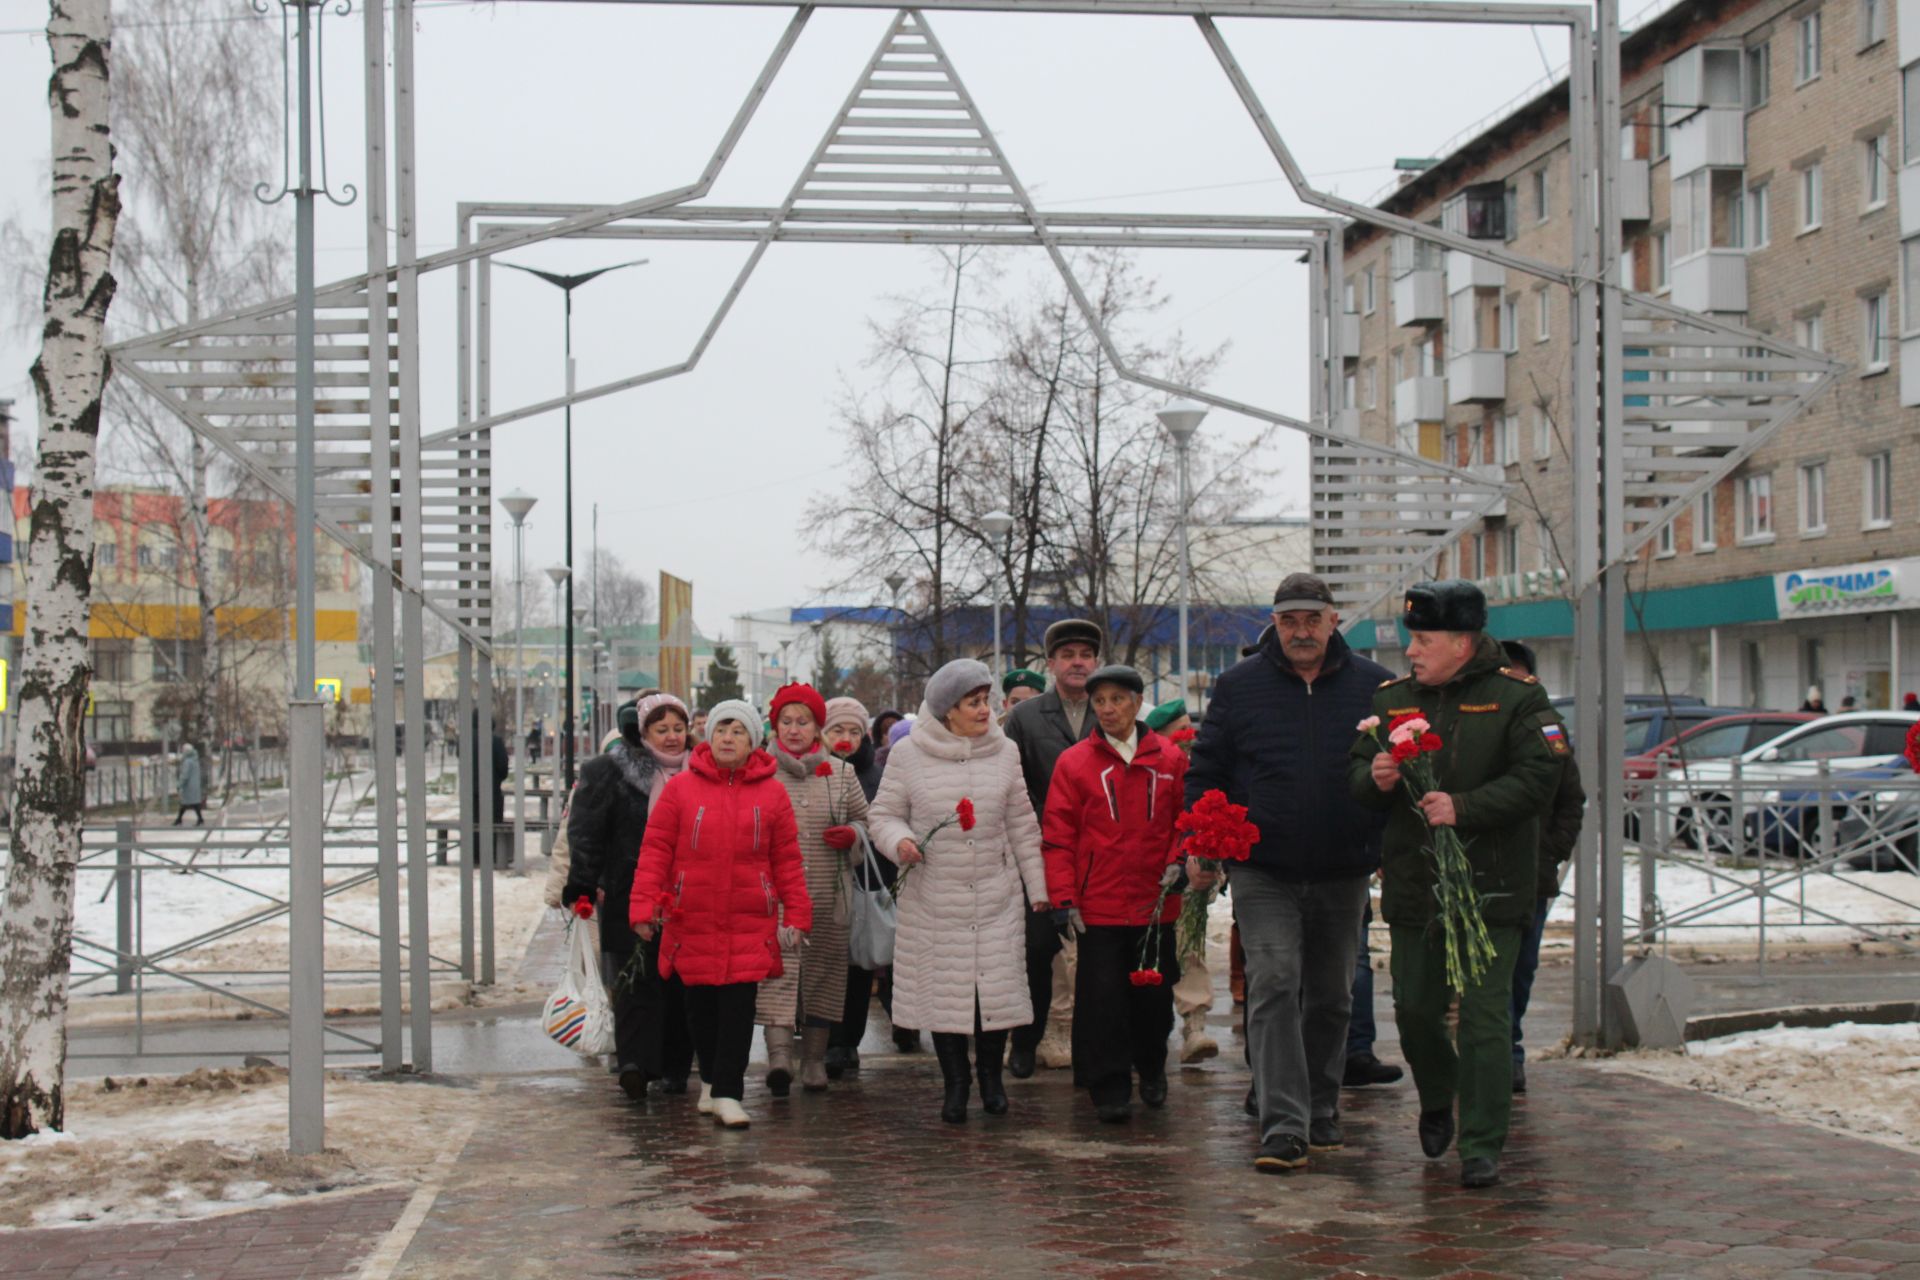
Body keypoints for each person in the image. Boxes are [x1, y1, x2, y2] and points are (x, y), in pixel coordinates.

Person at [1348, 580, 1567, 1189]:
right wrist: (1378, 775)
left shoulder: (1518, 698)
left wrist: (1465, 808)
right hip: (1418, 884)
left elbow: (1541, 777)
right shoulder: (1392, 700)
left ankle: (1482, 1143)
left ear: (1463, 643)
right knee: (1415, 1009)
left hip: (1492, 886)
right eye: (1412, 638)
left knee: (1485, 1017)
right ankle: (1438, 1095)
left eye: (1423, 639)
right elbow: (1356, 774)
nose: (1411, 650)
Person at [1188, 572, 1391, 1173]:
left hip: (1343, 864)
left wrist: (1380, 838)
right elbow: (1207, 768)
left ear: (1334, 621)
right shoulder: (1239, 685)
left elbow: (1398, 768)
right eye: (1288, 620)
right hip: (1262, 865)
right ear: (1273, 624)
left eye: (1312, 619)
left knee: (1331, 996)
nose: (1301, 631)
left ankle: (1322, 1110)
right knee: (1274, 982)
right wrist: (1202, 837)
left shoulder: (1375, 687)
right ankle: (1282, 1125)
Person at [870, 658, 1050, 1123]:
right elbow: (883, 815)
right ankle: (955, 1084)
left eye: (986, 700)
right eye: (974, 702)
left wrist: (1038, 889)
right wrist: (900, 842)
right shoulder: (909, 756)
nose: (985, 710)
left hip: (996, 895)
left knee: (993, 994)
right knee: (946, 996)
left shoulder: (1005, 752)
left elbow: (1022, 825)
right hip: (934, 896)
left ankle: (991, 1078)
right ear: (949, 710)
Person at [630, 700, 810, 1130]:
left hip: (750, 918)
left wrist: (797, 913)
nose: (729, 738)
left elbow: (787, 858)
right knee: (700, 1009)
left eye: (739, 732)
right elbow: (655, 851)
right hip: (690, 916)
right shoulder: (681, 789)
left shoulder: (772, 792)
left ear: (754, 741)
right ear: (709, 736)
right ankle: (711, 1082)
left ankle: (729, 1091)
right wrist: (644, 905)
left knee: (737, 1008)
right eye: (721, 730)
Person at [1042, 666, 1188, 1122]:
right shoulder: (1074, 763)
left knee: (1154, 1000)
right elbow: (1058, 836)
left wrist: (1179, 862)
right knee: (1103, 1001)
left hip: (1155, 905)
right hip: (1099, 906)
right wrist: (1063, 898)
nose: (1107, 710)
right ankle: (1109, 1086)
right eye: (1098, 701)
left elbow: (1183, 820)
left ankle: (1152, 1067)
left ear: (1137, 701)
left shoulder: (1169, 759)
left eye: (1116, 700)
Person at [565, 694, 694, 1100]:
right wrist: (583, 883)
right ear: (643, 733)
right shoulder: (610, 771)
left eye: (678, 728)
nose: (672, 738)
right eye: (662, 730)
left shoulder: (703, 771)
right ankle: (635, 1063)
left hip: (689, 894)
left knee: (681, 982)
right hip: (629, 888)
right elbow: (586, 831)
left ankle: (675, 1066)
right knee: (635, 977)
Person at [757, 682, 868, 1096]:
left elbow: (868, 822)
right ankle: (779, 1057)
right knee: (777, 973)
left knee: (824, 973)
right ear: (775, 726)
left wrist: (852, 834)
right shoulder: (760, 770)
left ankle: (815, 1060)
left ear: (818, 728)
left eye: (803, 722)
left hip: (828, 893)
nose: (794, 729)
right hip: (775, 896)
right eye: (786, 721)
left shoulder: (841, 773)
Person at [1003, 618, 1103, 1077]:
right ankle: (1027, 1040)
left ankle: (1092, 1048)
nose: (1077, 662)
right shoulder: (1025, 718)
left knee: (1100, 954)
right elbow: (1010, 785)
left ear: (1097, 661)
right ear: (1051, 664)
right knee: (1036, 952)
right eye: (1068, 655)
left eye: (1085, 654)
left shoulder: (1113, 709)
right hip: (1043, 852)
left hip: (1104, 854)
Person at [1498, 641, 1587, 1095]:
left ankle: (1509, 1052)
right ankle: (1477, 1053)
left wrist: (1550, 850)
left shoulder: (1548, 729)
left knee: (1520, 967)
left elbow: (1571, 799)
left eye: (1517, 675)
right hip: (1479, 871)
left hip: (1531, 874)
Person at [823, 696, 897, 1077]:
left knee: (857, 966)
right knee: (822, 963)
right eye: (837, 730)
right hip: (818, 882)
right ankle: (821, 1037)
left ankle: (845, 1042)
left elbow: (886, 822)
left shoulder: (876, 775)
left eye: (854, 731)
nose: (846, 739)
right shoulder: (813, 770)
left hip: (864, 883)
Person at [1145, 698, 1218, 1066]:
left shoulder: (1197, 767)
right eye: (1179, 734)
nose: (1188, 740)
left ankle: (1195, 1024)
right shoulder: (1147, 767)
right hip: (1149, 876)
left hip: (1187, 868)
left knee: (1190, 944)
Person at [173, 743, 205, 826]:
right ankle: (199, 819)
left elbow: (185, 775)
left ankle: (179, 819)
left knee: (185, 803)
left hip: (189, 786)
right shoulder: (195, 760)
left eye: (183, 751)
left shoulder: (187, 762)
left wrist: (179, 784)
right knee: (194, 803)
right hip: (195, 785)